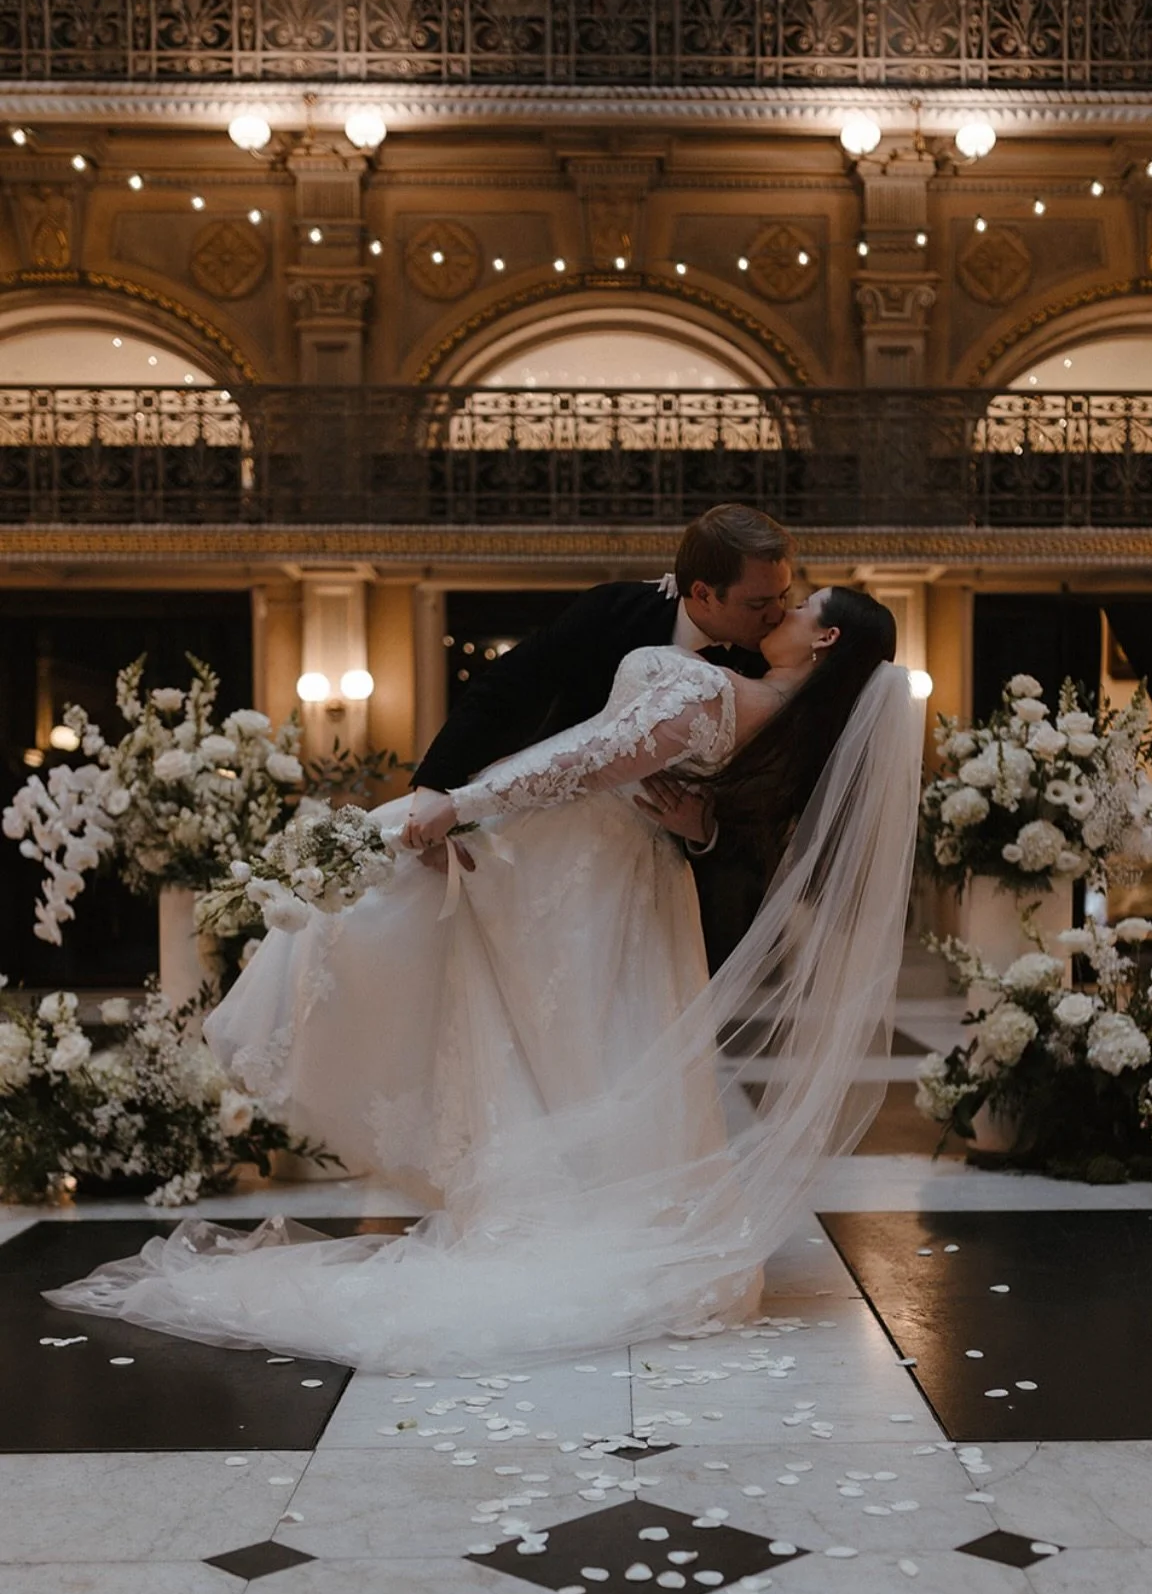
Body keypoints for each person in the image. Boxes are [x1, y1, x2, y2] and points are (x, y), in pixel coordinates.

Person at [44, 587, 924, 1374]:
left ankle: (551, 1219)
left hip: (577, 867)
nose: (786, 606)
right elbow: (557, 721)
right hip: (611, 878)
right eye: (777, 593)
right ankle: (583, 1212)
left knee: (528, 1017)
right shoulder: (775, 713)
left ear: (825, 642)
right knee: (581, 1041)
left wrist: (457, 805)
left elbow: (586, 757)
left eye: (804, 605)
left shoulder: (720, 689)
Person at [407, 501, 796, 970]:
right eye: (759, 603)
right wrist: (433, 788)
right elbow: (507, 687)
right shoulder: (614, 610)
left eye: (784, 596)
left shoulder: (774, 667)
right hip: (546, 836)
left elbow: (776, 805)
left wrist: (708, 831)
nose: (778, 614)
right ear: (703, 593)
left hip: (663, 881)